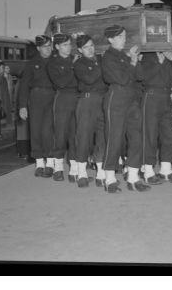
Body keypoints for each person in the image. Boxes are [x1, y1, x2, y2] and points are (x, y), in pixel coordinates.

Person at [102, 25, 148, 193]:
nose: (124, 40)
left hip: (131, 100)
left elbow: (141, 76)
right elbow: (121, 78)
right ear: (110, 39)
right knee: (114, 139)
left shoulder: (124, 56)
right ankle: (109, 178)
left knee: (137, 138)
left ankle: (134, 176)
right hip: (116, 99)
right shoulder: (108, 57)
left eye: (124, 36)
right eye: (120, 37)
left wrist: (135, 61)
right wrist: (132, 62)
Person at [140, 50, 172, 184]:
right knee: (150, 134)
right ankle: (148, 171)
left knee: (169, 134)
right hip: (151, 96)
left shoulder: (171, 56)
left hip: (167, 97)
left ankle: (166, 170)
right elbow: (142, 77)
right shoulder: (147, 56)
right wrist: (159, 63)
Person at [73, 34, 108, 189]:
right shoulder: (79, 63)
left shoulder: (101, 59)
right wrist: (102, 64)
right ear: (80, 49)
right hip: (86, 102)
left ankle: (101, 173)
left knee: (102, 136)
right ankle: (81, 173)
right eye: (86, 47)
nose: (90, 49)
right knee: (84, 136)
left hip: (102, 100)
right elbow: (89, 79)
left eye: (92, 45)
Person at [17, 35, 55, 178]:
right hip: (36, 98)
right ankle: (39, 163)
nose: (48, 48)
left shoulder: (55, 61)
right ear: (38, 48)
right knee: (36, 131)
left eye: (50, 45)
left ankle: (50, 163)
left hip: (52, 97)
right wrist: (22, 106)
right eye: (45, 46)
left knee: (48, 131)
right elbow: (24, 85)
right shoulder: (32, 64)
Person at [46, 33, 79, 182]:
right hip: (62, 99)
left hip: (77, 98)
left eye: (70, 44)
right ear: (57, 46)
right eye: (65, 45)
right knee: (60, 134)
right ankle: (58, 168)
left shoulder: (75, 59)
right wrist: (73, 67)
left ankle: (74, 170)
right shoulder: (53, 62)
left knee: (75, 135)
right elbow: (61, 83)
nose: (69, 47)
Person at [0, 60, 12, 139]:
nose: (3, 68)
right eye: (2, 67)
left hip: (2, 101)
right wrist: (1, 73)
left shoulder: (2, 76)